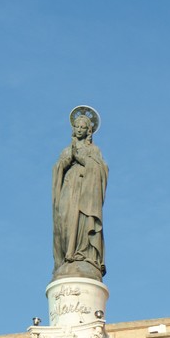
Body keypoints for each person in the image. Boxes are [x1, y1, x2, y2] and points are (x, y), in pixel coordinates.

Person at [52, 106, 107, 279]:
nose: (80, 129)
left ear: (89, 130)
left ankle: (82, 253)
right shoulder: (66, 151)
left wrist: (81, 159)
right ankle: (66, 256)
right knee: (65, 220)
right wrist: (66, 161)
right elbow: (57, 170)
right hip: (69, 188)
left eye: (83, 127)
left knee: (82, 221)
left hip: (85, 192)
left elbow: (101, 170)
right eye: (77, 126)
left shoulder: (93, 150)